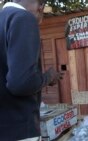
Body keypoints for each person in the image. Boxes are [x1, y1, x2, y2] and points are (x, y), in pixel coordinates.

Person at [0, 0, 62, 140]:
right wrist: (48, 77)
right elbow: (21, 83)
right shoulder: (23, 18)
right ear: (41, 6)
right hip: (18, 129)